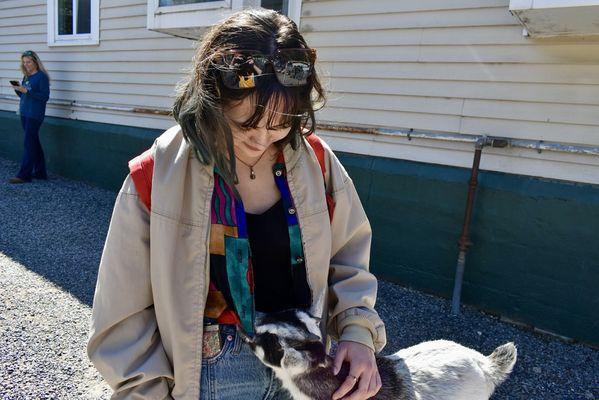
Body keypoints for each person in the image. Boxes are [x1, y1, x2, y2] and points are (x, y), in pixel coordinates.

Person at [87, 8, 386, 400]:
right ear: (212, 99)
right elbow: (121, 318)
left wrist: (358, 333)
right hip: (208, 369)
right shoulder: (154, 176)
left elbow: (349, 255)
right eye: (245, 124)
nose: (262, 141)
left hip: (308, 362)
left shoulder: (317, 161)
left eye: (280, 124)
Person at [9, 50, 51, 184]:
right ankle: (40, 172)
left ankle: (24, 175)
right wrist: (19, 90)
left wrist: (27, 91)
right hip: (24, 113)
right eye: (24, 62)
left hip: (35, 115)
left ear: (35, 62)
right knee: (33, 142)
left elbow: (44, 97)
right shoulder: (26, 77)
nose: (26, 64)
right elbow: (24, 96)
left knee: (28, 143)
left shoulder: (41, 77)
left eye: (28, 62)